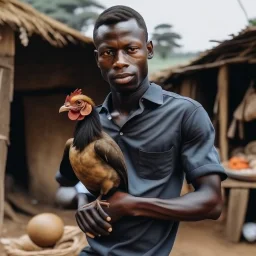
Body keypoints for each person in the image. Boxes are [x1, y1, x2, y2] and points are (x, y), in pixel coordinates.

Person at [56, 5, 227, 256]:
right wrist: (83, 201)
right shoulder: (91, 123)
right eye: (108, 52)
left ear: (148, 49)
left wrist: (131, 205)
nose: (120, 62)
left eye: (131, 49)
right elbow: (64, 188)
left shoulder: (185, 115)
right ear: (97, 59)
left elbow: (211, 203)